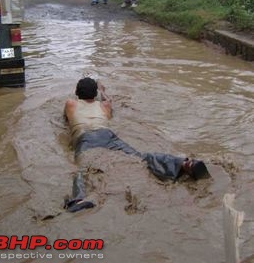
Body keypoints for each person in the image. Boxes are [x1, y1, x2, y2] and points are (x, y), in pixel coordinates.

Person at [63, 78, 210, 212]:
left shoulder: (70, 103)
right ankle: (184, 164)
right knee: (140, 157)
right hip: (108, 136)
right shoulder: (105, 106)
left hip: (85, 139)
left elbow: (66, 120)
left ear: (77, 92)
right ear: (95, 93)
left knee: (81, 169)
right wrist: (102, 90)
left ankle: (79, 198)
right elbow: (108, 100)